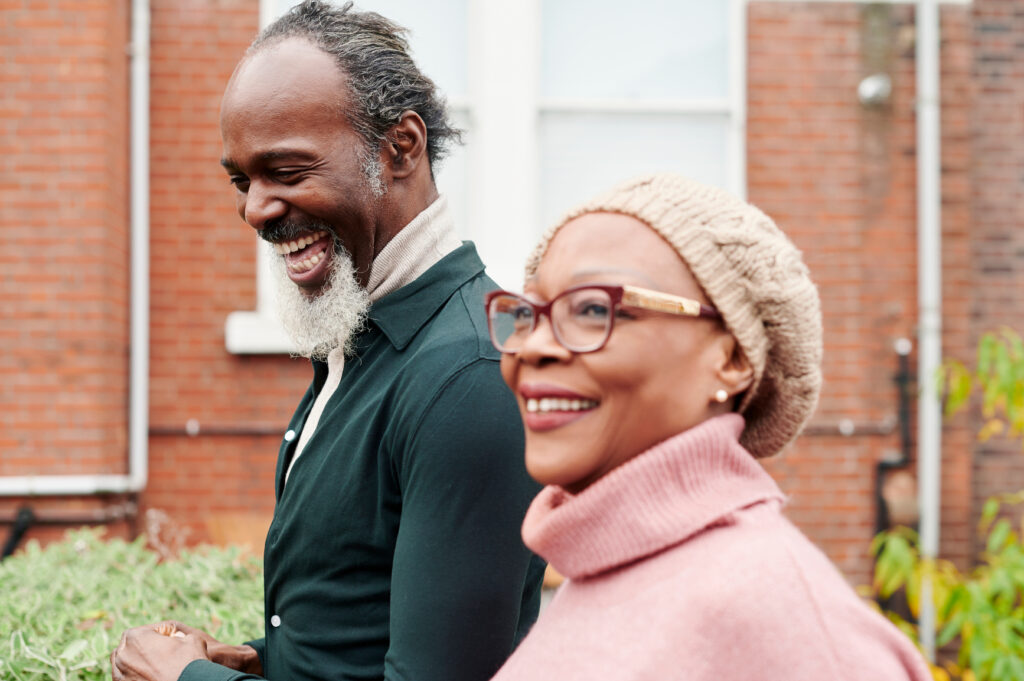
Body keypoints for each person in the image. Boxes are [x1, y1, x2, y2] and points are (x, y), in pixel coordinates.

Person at [111, 3, 544, 681]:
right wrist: (260, 661)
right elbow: (361, 632)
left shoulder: (470, 374)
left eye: (286, 171)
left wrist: (186, 679)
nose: (255, 210)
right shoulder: (364, 339)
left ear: (400, 148)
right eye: (241, 180)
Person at [484, 173, 932, 680]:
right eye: (529, 312)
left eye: (592, 308)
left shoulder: (771, 609)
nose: (536, 346)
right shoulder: (598, 575)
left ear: (733, 357)